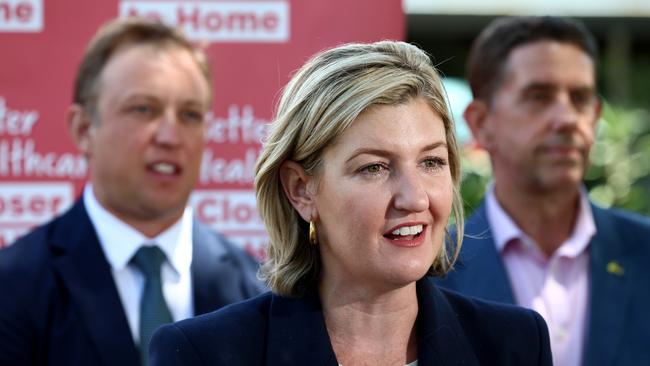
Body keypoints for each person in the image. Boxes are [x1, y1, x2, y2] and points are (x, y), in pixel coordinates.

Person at [148, 40, 552, 365]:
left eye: (431, 162)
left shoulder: (514, 345)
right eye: (375, 168)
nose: (414, 198)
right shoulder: (202, 353)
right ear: (301, 190)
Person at [0, 18, 264, 366]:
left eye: (190, 114)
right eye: (144, 109)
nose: (170, 136)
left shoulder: (254, 288)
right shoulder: (14, 286)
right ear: (83, 129)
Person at [435, 16, 650, 366]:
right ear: (480, 123)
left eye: (580, 98)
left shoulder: (644, 254)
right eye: (539, 97)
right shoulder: (432, 272)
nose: (567, 118)